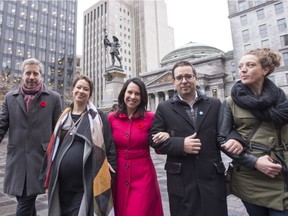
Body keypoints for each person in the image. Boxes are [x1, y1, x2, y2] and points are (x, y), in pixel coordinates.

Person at [148, 61, 242, 216]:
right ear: (174, 82)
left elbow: (226, 131)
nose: (184, 81)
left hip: (211, 177)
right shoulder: (164, 108)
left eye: (188, 76)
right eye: (179, 77)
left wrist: (234, 139)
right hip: (181, 181)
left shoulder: (214, 103)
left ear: (195, 78)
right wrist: (180, 144)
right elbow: (153, 140)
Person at [218, 48, 288, 215]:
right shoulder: (230, 102)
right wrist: (254, 162)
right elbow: (221, 138)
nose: (243, 69)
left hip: (282, 173)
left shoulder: (282, 99)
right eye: (240, 66)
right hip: (251, 178)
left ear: (265, 70)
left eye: (250, 65)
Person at [41, 75, 117, 216]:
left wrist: (107, 174)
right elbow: (53, 151)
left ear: (90, 94)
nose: (81, 91)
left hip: (85, 185)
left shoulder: (98, 118)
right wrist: (48, 182)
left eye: (86, 89)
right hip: (61, 184)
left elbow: (110, 147)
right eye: (79, 87)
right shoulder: (63, 118)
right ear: (73, 89)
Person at [0, 58, 62, 216]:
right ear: (22, 75)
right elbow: (1, 125)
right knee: (24, 198)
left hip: (40, 160)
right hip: (17, 159)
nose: (32, 76)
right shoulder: (9, 98)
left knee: (25, 201)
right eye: (28, 73)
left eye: (36, 73)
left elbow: (59, 129)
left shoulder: (54, 98)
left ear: (41, 75)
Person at [108, 77, 168, 216]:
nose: (133, 97)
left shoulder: (151, 118)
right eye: (130, 92)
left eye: (137, 94)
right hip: (118, 175)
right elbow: (105, 146)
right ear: (123, 94)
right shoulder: (111, 118)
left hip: (143, 175)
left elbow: (158, 148)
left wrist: (165, 136)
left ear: (142, 97)